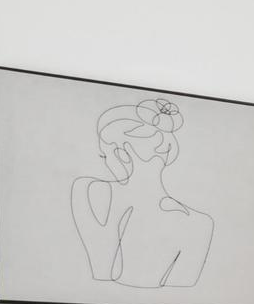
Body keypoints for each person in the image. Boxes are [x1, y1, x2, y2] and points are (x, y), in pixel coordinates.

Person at [70, 96, 214, 288]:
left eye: (105, 155)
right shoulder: (200, 223)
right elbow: (181, 291)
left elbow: (101, 279)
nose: (105, 162)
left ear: (122, 154)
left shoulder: (87, 191)